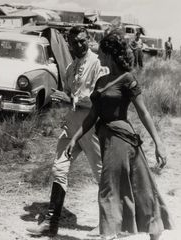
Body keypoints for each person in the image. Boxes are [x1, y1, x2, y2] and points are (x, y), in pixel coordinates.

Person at [65, 29, 173, 240]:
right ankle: (114, 232)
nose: (98, 54)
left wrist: (159, 143)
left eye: (102, 51)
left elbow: (143, 112)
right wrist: (75, 137)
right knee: (132, 185)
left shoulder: (127, 79)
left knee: (128, 186)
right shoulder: (101, 81)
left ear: (110, 53)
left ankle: (118, 233)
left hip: (123, 139)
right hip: (107, 139)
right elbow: (92, 116)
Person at [26, 26, 108, 236]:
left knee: (101, 174)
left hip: (90, 126)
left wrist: (70, 99)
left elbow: (98, 100)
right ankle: (51, 223)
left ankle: (107, 222)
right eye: (74, 42)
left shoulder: (98, 64)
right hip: (71, 126)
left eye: (82, 41)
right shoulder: (71, 67)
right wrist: (62, 98)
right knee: (59, 168)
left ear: (88, 39)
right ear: (69, 44)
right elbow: (70, 94)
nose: (79, 45)